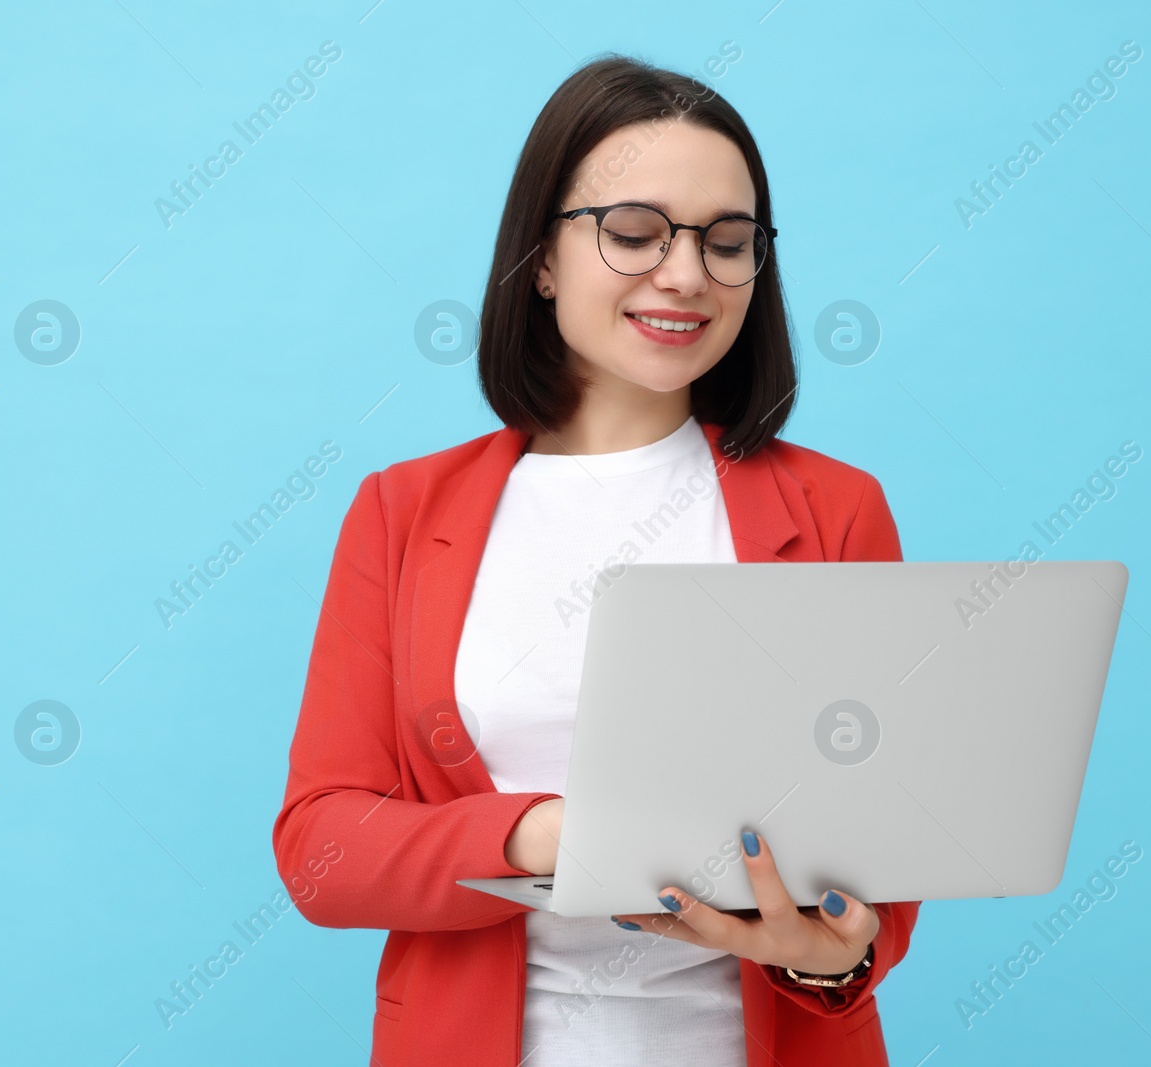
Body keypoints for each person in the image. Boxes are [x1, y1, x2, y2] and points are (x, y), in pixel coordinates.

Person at [271, 52, 921, 1066]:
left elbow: (876, 871)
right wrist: (543, 833)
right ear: (539, 257)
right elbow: (320, 847)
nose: (685, 274)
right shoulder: (404, 511)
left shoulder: (836, 511)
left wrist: (830, 955)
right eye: (633, 232)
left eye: (728, 242)